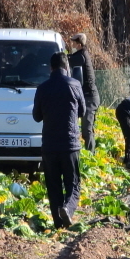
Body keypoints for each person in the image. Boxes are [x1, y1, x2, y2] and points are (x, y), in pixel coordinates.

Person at [32, 52, 86, 229]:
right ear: (66, 67)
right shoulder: (75, 84)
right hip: (70, 144)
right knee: (73, 184)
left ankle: (58, 224)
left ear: (51, 68)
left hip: (49, 145)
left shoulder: (42, 88)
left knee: (53, 186)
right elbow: (83, 111)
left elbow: (37, 117)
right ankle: (68, 211)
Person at [68, 33, 100, 153]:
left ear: (79, 44)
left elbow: (68, 61)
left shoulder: (81, 56)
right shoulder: (82, 54)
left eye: (74, 42)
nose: (72, 44)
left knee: (86, 130)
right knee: (88, 129)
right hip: (89, 97)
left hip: (90, 98)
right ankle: (90, 153)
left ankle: (91, 156)